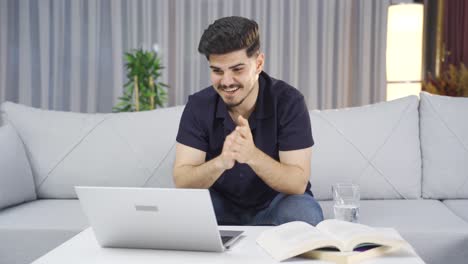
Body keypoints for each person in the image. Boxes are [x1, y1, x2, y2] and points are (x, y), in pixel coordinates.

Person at [173, 16, 323, 226]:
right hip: (221, 205)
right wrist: (221, 162)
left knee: (304, 213)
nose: (226, 82)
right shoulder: (199, 105)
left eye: (237, 69)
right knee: (181, 210)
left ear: (259, 63)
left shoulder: (289, 102)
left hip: (275, 203)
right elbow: (182, 179)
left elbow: (297, 183)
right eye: (217, 71)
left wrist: (252, 155)